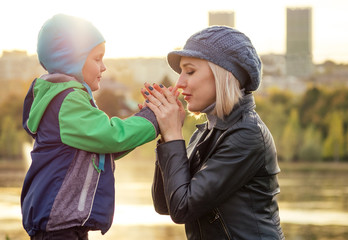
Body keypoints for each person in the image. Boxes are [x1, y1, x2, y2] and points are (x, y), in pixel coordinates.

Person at [21, 14, 159, 239]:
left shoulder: (68, 99)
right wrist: (152, 118)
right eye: (97, 59)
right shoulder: (67, 100)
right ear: (72, 59)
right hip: (59, 225)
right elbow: (111, 136)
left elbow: (106, 147)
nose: (104, 67)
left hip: (65, 222)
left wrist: (149, 120)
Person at [144, 26, 285, 239]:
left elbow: (183, 208)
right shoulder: (205, 132)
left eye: (190, 71)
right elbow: (165, 204)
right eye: (181, 72)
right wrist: (166, 137)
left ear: (223, 74)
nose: (179, 83)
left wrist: (173, 136)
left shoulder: (246, 134)